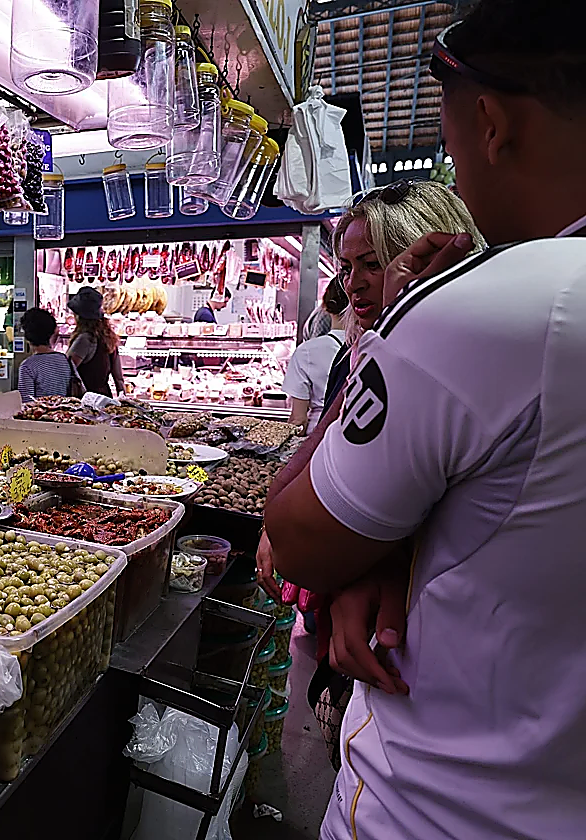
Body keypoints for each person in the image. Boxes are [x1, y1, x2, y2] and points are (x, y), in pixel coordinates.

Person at [265, 3, 586, 838]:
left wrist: (384, 348)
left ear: (488, 122)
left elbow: (297, 535)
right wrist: (393, 552)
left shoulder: (491, 310)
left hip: (435, 806)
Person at [263, 179, 485, 769]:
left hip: (430, 670)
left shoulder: (435, 361)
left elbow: (294, 528)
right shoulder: (364, 353)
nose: (353, 282)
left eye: (376, 264)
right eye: (346, 264)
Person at [283, 280, 348, 433]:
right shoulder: (370, 346)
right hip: (354, 434)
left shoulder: (307, 351)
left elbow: (298, 420)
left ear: (324, 306)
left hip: (318, 435)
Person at [67, 287, 124, 397]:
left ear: (79, 316)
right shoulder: (108, 337)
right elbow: (119, 378)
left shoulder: (85, 339)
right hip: (104, 398)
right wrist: (123, 400)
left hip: (85, 401)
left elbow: (67, 370)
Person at [17, 308, 77, 402]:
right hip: (65, 414)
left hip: (41, 415)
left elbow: (27, 403)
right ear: (53, 332)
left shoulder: (27, 366)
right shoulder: (65, 360)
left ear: (27, 336)